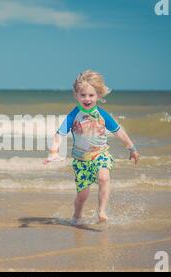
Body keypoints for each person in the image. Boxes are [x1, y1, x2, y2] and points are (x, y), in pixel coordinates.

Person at [44, 70, 140, 225]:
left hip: (100, 154)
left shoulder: (102, 115)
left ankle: (101, 211)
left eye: (91, 95)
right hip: (80, 160)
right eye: (83, 95)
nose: (87, 99)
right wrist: (53, 151)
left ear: (98, 96)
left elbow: (119, 131)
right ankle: (77, 216)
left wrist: (131, 148)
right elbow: (59, 133)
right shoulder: (73, 115)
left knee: (104, 177)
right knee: (83, 195)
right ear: (76, 95)